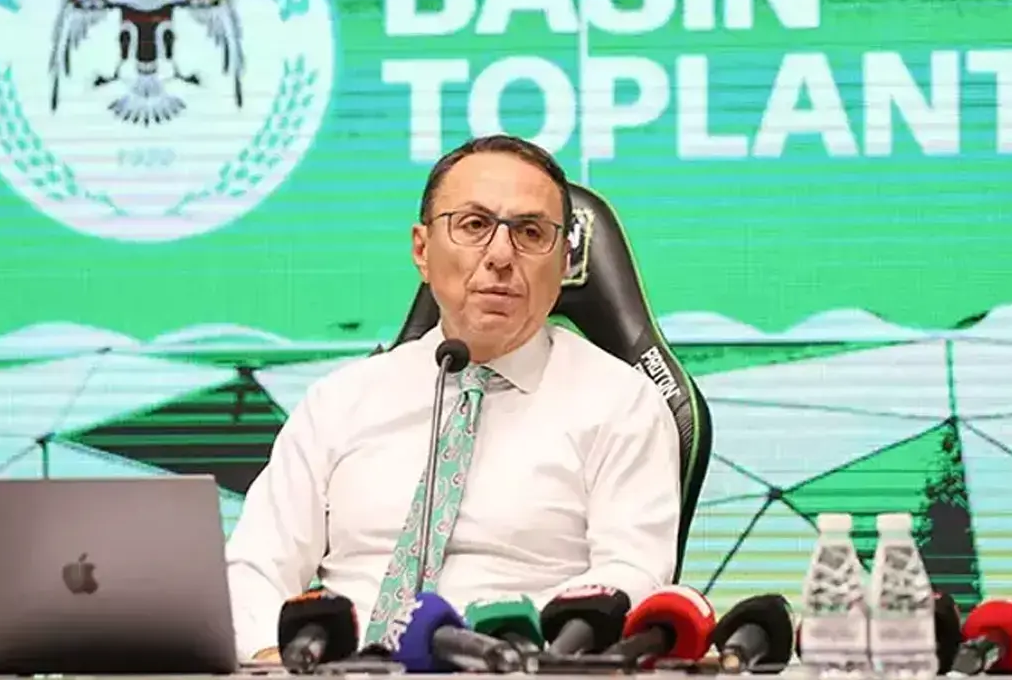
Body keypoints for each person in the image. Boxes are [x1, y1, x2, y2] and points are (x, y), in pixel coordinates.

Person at [225, 134, 682, 662]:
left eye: (531, 232)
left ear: (564, 261)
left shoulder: (621, 404)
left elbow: (632, 575)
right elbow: (255, 564)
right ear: (422, 249)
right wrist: (271, 659)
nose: (501, 255)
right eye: (473, 225)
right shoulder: (340, 402)